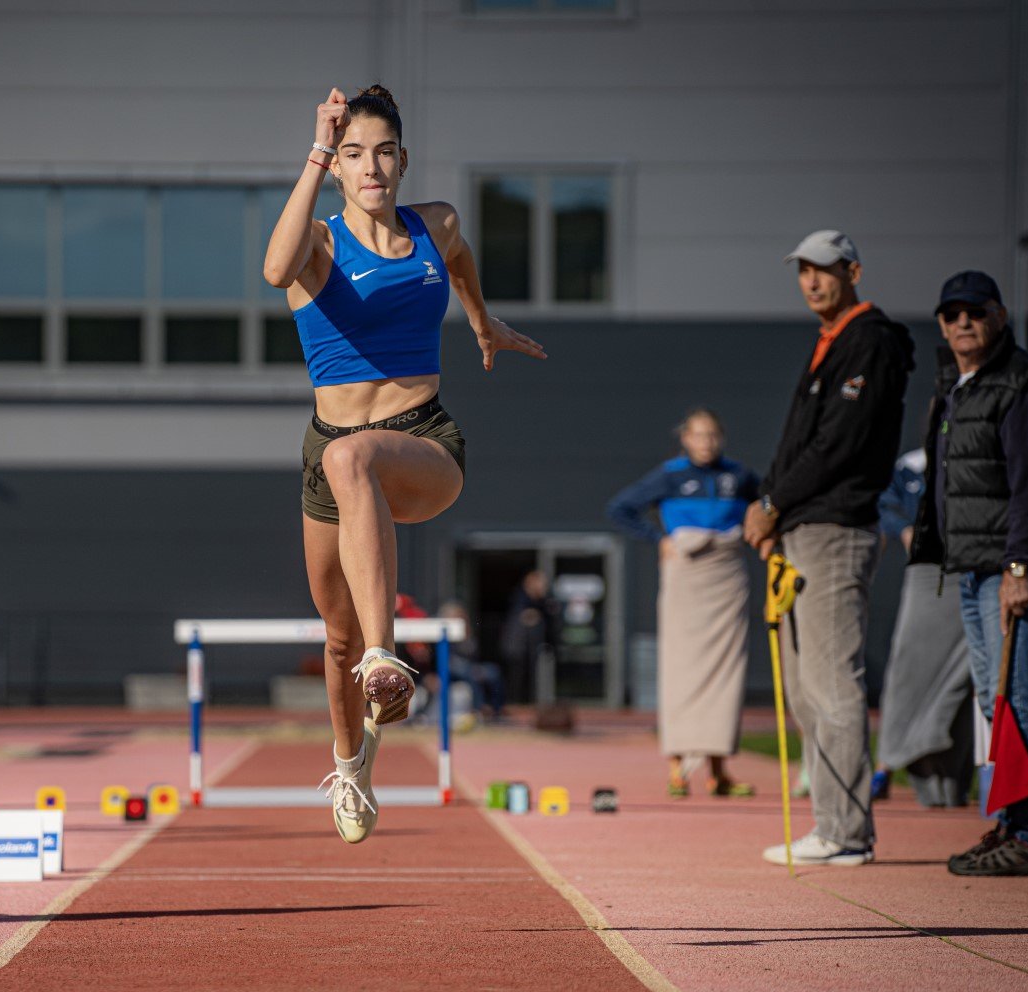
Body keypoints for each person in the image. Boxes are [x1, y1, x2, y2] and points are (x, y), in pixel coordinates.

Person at [263, 85, 545, 843]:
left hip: (423, 442)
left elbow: (458, 255)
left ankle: (388, 659)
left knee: (360, 461)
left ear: (403, 158)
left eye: (383, 151)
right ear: (337, 167)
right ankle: (352, 769)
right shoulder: (318, 244)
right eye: (354, 155)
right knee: (335, 638)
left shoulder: (435, 223)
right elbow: (273, 267)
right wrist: (317, 148)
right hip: (329, 454)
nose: (372, 167)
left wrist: (483, 321)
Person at [744, 230, 914, 868]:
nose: (813, 281)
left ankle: (847, 831)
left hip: (834, 528)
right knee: (803, 687)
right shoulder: (831, 341)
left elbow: (841, 442)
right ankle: (832, 823)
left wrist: (770, 505)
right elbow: (802, 444)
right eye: (804, 272)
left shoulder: (870, 339)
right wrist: (773, 510)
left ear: (854, 272)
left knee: (832, 683)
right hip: (800, 529)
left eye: (825, 270)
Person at [909, 271, 1028, 876]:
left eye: (973, 313)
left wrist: (1018, 567)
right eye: (950, 314)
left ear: (999, 317)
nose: (961, 324)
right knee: (994, 700)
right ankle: (1010, 823)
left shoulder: (1022, 382)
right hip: (973, 568)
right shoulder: (960, 387)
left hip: (1009, 568)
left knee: (1019, 700)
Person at [608, 408, 758, 798]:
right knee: (680, 670)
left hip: (727, 578)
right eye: (698, 435)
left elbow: (766, 506)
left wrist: (761, 534)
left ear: (721, 438)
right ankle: (678, 768)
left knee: (728, 671)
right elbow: (620, 508)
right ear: (685, 439)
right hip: (686, 577)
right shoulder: (670, 474)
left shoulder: (739, 476)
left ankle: (719, 770)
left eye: (712, 435)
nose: (706, 443)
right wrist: (659, 539)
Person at [874, 449, 973, 808]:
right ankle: (885, 765)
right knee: (906, 673)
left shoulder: (980, 456)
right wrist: (903, 528)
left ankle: (952, 787)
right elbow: (885, 503)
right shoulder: (910, 465)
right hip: (926, 570)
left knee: (963, 684)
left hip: (973, 570)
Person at [498, 569, 560, 708]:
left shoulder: (544, 600)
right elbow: (525, 617)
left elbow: (548, 618)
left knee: (531, 677)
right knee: (516, 678)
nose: (543, 586)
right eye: (540, 583)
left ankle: (528, 703)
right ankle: (514, 705)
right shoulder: (520, 597)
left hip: (533, 647)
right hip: (516, 646)